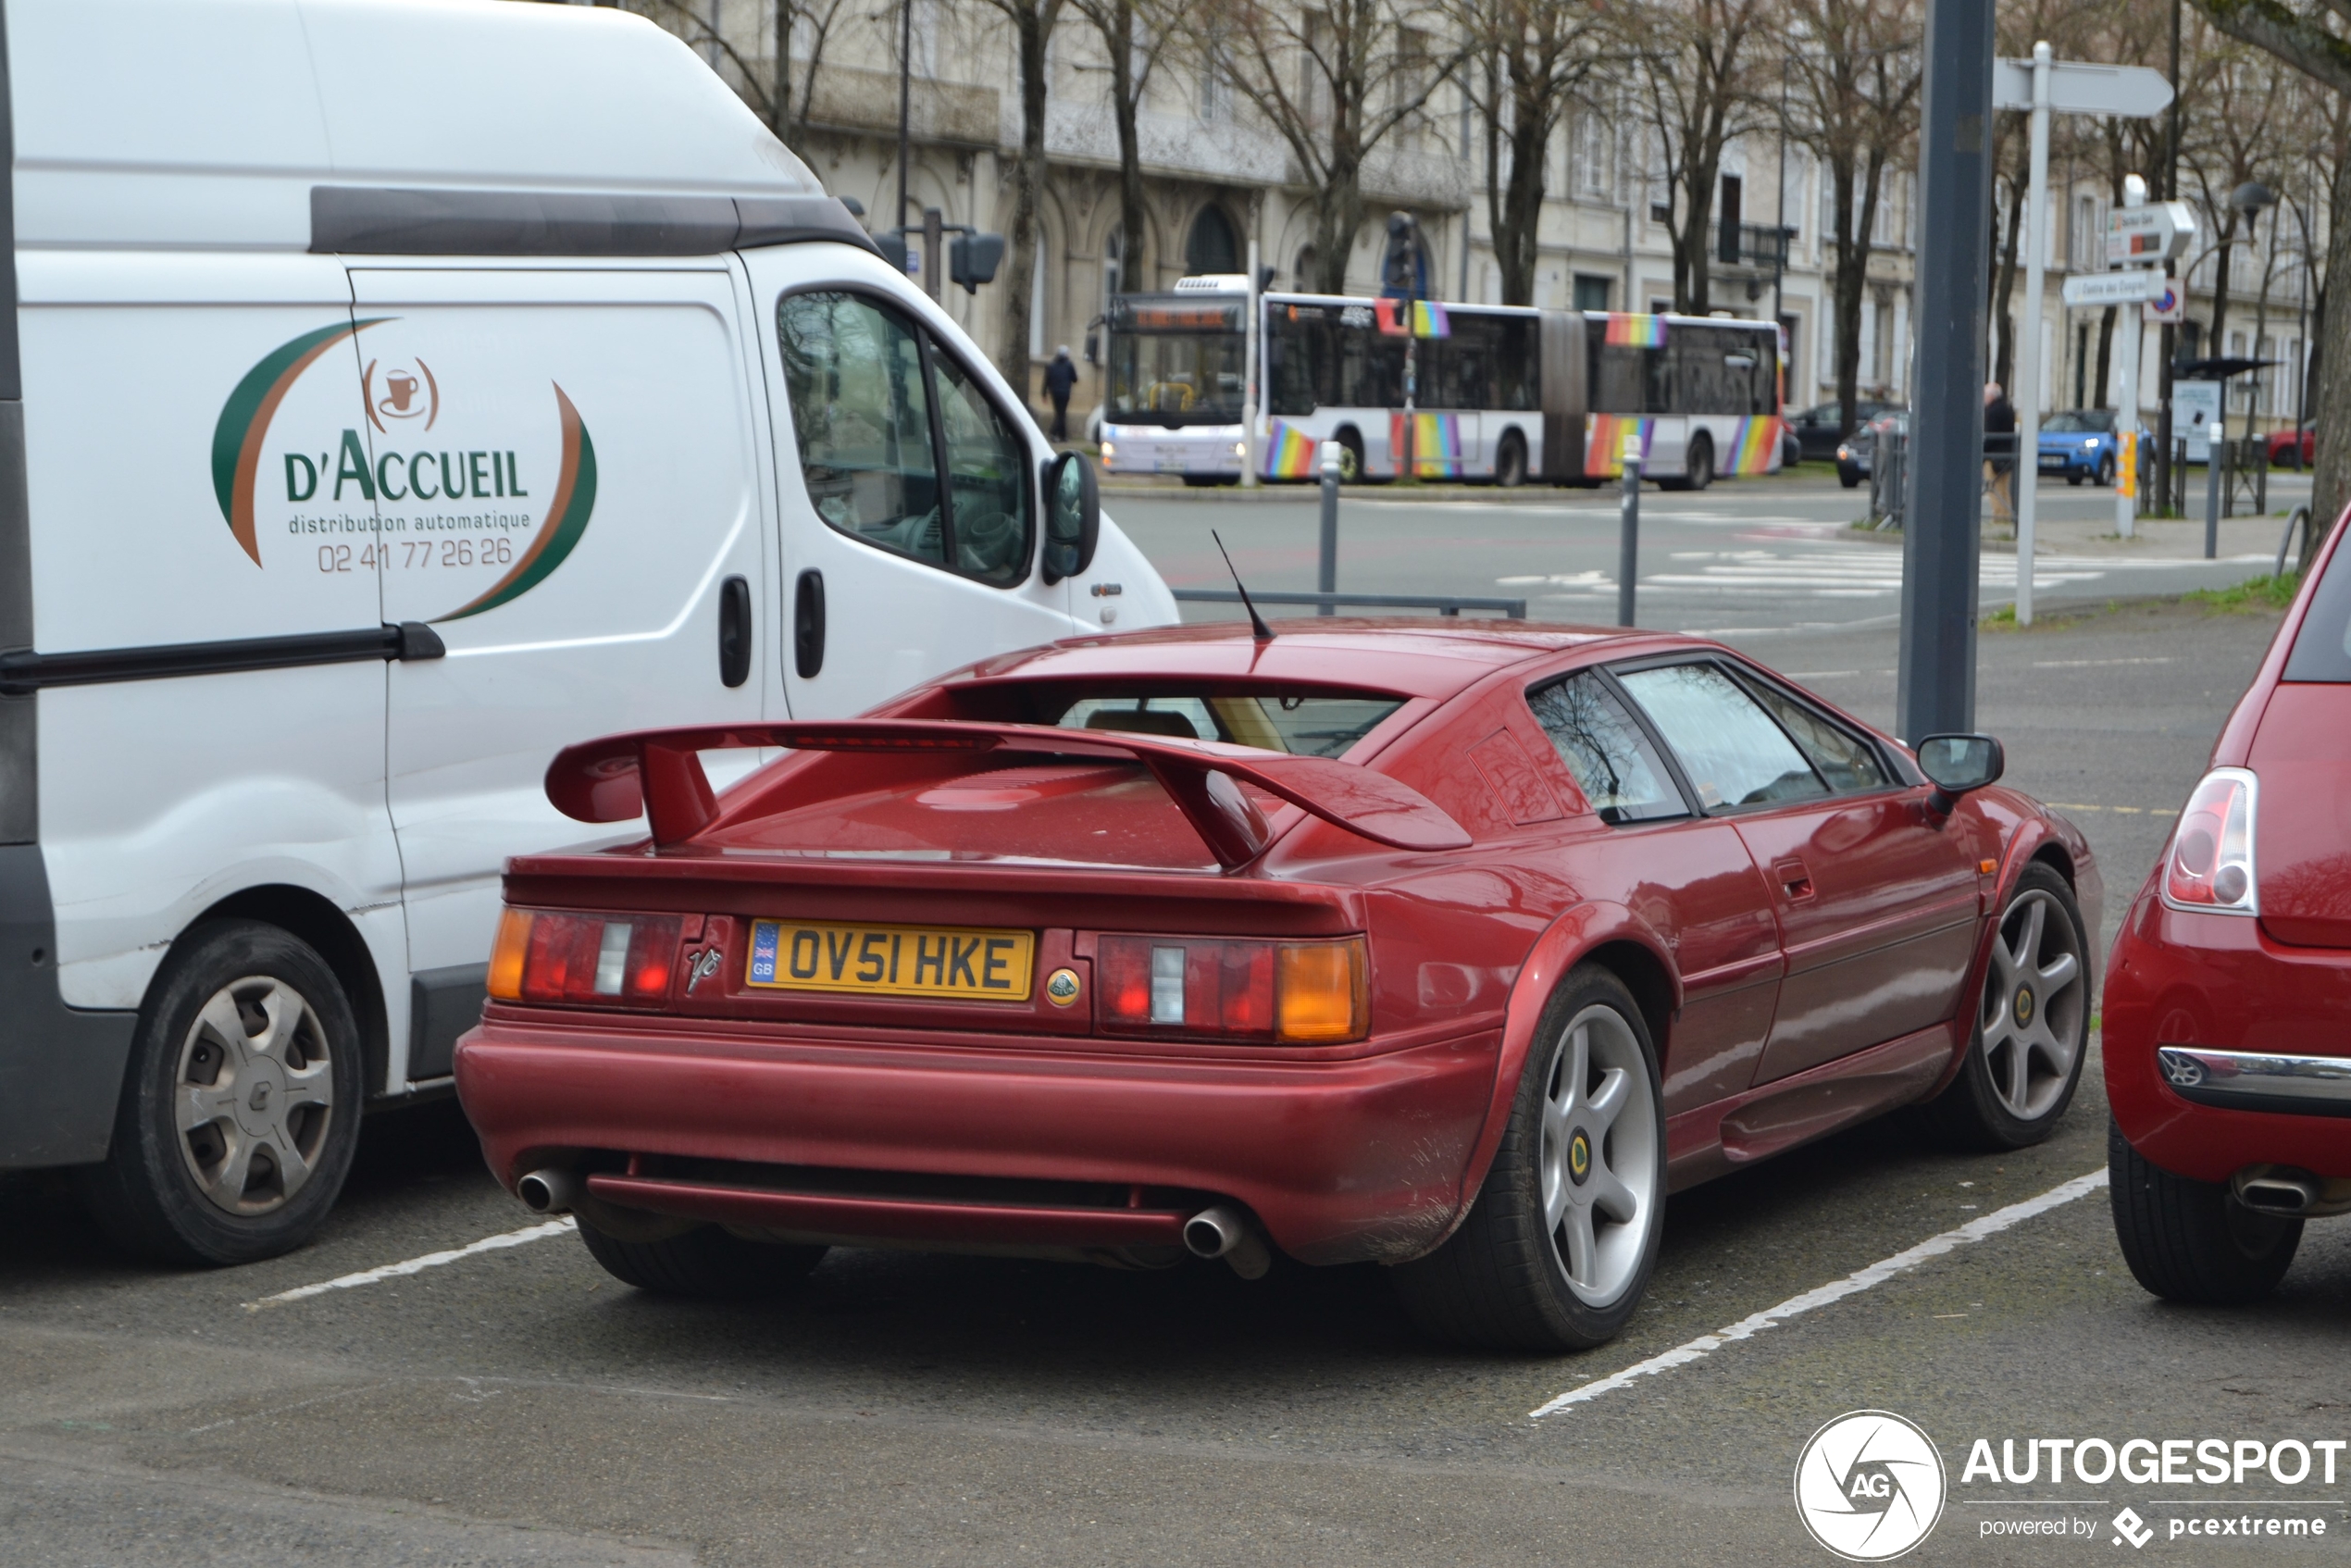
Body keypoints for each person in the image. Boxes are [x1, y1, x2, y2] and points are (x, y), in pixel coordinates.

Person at [1983, 380, 2018, 526]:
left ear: (1991, 396)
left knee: (1994, 488)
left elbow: (1991, 436)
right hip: (2007, 454)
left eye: (1985, 395)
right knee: (2004, 488)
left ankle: (1998, 517)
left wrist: (1982, 452)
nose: (1984, 398)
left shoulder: (1993, 411)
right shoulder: (2007, 408)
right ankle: (2007, 516)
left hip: (1994, 456)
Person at [1044, 345, 1078, 442]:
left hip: (1054, 393)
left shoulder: (1051, 365)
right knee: (1061, 414)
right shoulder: (1069, 365)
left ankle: (1063, 435)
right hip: (1065, 392)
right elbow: (1075, 379)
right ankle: (1053, 433)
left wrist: (1044, 394)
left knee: (1060, 413)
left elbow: (1047, 381)